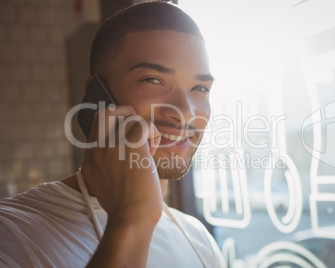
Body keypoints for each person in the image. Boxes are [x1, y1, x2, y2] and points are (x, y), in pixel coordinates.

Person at [0, 2, 226, 267]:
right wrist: (133, 218)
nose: (185, 113)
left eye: (200, 87)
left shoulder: (197, 238)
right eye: (153, 80)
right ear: (95, 96)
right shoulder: (11, 232)